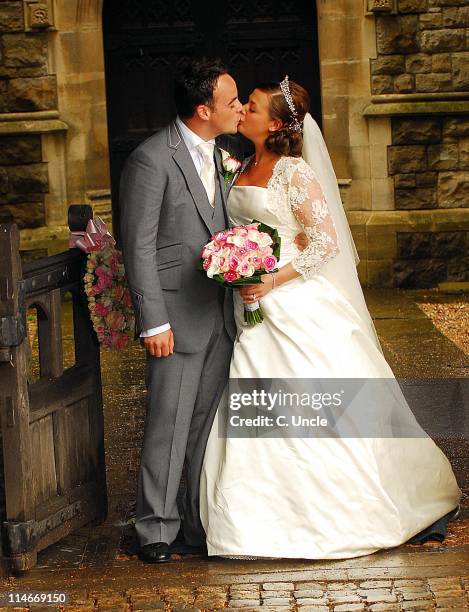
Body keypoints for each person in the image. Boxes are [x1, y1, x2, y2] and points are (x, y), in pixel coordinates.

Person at [199, 77, 462, 559]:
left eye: (252, 108)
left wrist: (271, 280)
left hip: (294, 302)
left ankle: (346, 509)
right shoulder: (238, 165)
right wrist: (236, 263)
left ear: (275, 123)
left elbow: (325, 242)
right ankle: (259, 512)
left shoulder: (295, 172)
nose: (242, 113)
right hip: (251, 302)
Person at [119, 57, 243, 563]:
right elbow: (139, 247)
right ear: (201, 108)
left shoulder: (224, 153)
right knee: (167, 425)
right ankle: (154, 529)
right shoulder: (151, 159)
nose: (239, 108)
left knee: (202, 426)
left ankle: (192, 522)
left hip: (218, 313)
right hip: (174, 317)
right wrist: (153, 320)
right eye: (231, 101)